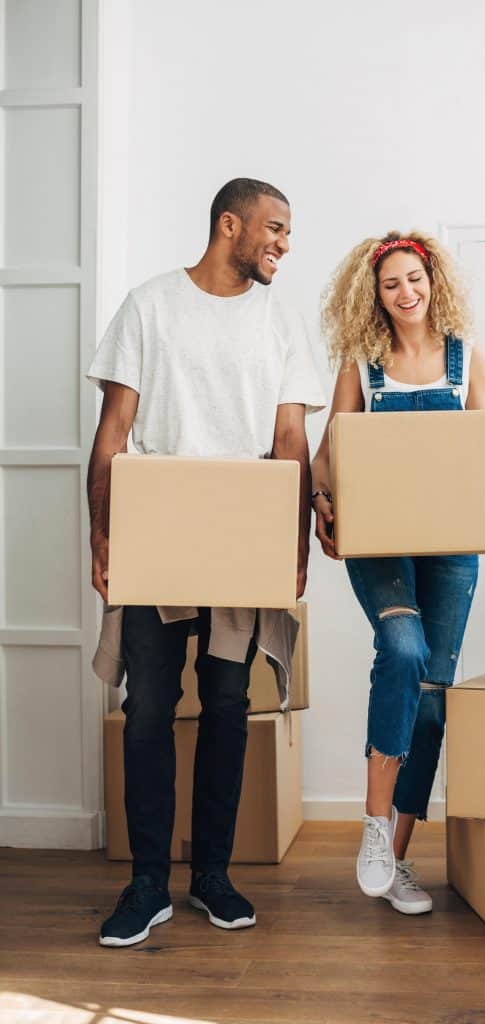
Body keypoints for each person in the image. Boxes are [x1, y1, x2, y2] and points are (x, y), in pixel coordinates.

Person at [87, 178, 325, 947]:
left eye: (286, 232)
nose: (284, 244)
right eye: (275, 228)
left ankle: (212, 877)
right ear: (231, 225)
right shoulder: (149, 306)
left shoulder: (279, 323)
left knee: (227, 706)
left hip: (240, 538)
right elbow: (112, 434)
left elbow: (291, 442)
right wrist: (102, 537)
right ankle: (147, 881)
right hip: (159, 534)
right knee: (149, 706)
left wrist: (291, 551)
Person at [311, 232, 485, 914]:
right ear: (374, 294)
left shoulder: (465, 360)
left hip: (450, 550)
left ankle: (397, 858)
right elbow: (330, 453)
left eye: (413, 279)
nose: (405, 292)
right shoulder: (360, 365)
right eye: (391, 284)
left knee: (432, 691)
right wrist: (321, 499)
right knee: (401, 648)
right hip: (379, 543)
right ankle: (372, 824)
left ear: (432, 281)